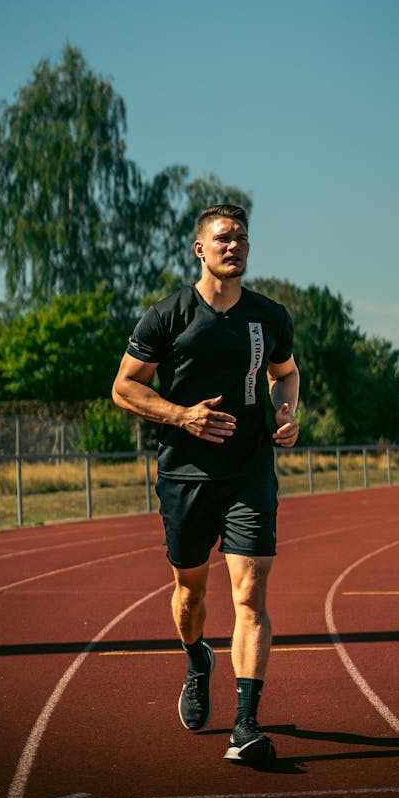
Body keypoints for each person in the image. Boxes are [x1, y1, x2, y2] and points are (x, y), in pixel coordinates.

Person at [111, 204, 299, 764]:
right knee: (190, 594)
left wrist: (286, 413)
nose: (234, 245)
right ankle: (198, 660)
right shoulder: (167, 317)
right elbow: (124, 388)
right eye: (222, 237)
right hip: (184, 474)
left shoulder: (269, 317)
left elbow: (283, 373)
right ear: (199, 248)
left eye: (242, 237)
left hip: (249, 470)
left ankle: (245, 724)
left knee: (249, 593)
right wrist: (181, 416)